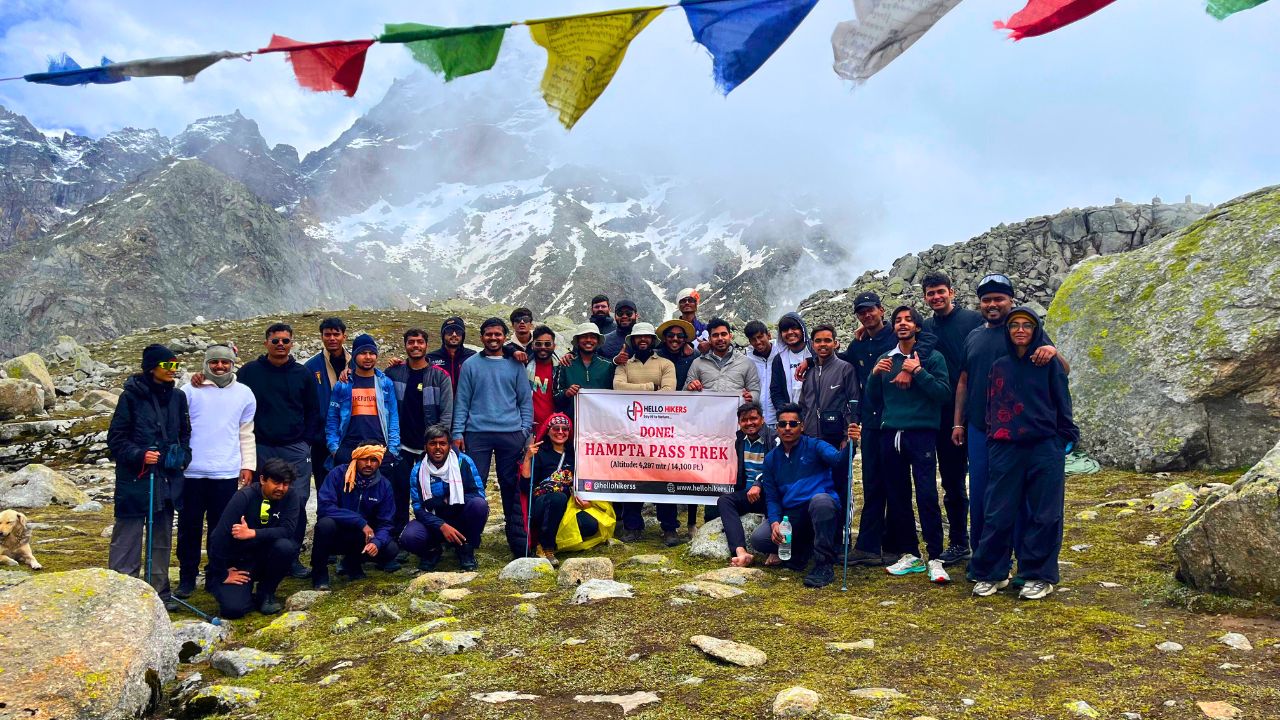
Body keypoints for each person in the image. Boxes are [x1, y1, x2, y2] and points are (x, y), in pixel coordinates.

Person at [952, 274, 1065, 571]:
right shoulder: (974, 336)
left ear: (1011, 301)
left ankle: (1025, 561)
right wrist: (958, 423)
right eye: (986, 299)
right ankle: (984, 558)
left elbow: (1062, 369)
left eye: (999, 299)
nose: (992, 304)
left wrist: (1052, 350)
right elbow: (964, 380)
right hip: (979, 427)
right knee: (981, 495)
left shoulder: (1024, 330)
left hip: (1019, 431)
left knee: (1021, 497)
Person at [971, 307, 1078, 600]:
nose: (1020, 330)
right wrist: (994, 439)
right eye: (1014, 325)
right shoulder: (1000, 366)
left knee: (1045, 513)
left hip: (1044, 445)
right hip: (1005, 446)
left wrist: (1065, 438)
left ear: (1035, 330)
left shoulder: (1047, 362)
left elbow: (1062, 400)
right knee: (997, 511)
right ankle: (992, 572)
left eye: (1026, 325)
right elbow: (991, 406)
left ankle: (1037, 575)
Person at [868, 307, 952, 583]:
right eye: (898, 321)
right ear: (893, 327)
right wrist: (873, 376)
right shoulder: (885, 359)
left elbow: (943, 394)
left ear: (917, 327)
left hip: (921, 433)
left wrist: (918, 372)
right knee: (898, 495)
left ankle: (936, 556)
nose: (902, 324)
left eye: (908, 320)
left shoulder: (932, 357)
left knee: (927, 493)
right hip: (891, 433)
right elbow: (874, 400)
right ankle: (911, 554)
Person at [107, 344, 192, 611]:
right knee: (128, 535)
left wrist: (182, 455)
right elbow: (116, 440)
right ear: (151, 367)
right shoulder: (130, 396)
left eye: (175, 366)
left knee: (162, 536)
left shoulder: (178, 397)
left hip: (167, 477)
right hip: (136, 478)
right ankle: (122, 592)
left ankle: (159, 593)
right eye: (167, 365)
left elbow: (185, 433)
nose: (173, 371)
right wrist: (140, 454)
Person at [236, 322, 322, 580]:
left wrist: (306, 441)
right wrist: (201, 379)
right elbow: (226, 388)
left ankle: (291, 557)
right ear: (266, 343)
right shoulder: (249, 372)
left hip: (295, 448)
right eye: (276, 341)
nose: (281, 345)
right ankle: (257, 554)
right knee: (259, 501)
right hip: (261, 447)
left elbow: (312, 410)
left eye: (285, 340)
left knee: (295, 500)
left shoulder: (302, 373)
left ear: (291, 343)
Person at [175, 344, 256, 600]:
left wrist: (248, 465)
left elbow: (246, 431)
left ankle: (215, 575)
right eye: (214, 362)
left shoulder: (244, 394)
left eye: (225, 362)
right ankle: (187, 577)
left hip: (226, 471)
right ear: (205, 364)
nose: (219, 366)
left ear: (233, 364)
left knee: (219, 529)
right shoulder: (189, 391)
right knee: (189, 527)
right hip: (192, 473)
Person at [750, 403, 861, 589]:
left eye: (793, 424)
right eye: (782, 424)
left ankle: (823, 564)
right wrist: (776, 523)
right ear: (776, 428)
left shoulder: (816, 445)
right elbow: (772, 498)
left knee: (821, 501)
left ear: (802, 426)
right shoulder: (771, 459)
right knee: (759, 539)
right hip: (792, 515)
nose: (787, 428)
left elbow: (838, 461)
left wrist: (852, 443)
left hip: (819, 508)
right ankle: (802, 549)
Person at [452, 317, 534, 558]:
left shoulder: (515, 364)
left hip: (511, 433)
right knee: (474, 486)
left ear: (504, 336)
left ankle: (516, 539)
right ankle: (470, 539)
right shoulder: (470, 365)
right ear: (481, 337)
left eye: (498, 334)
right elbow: (462, 402)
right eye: (489, 334)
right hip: (477, 433)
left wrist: (525, 430)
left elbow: (524, 400)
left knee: (510, 485)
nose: (493, 338)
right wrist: (457, 432)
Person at [920, 272, 984, 566]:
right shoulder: (927, 326)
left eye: (940, 292)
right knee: (952, 480)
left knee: (988, 479)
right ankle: (960, 542)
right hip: (944, 414)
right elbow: (900, 338)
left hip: (981, 410)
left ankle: (988, 542)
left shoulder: (972, 320)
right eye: (930, 293)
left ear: (952, 292)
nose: (936, 297)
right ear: (925, 297)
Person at [610, 322, 680, 545]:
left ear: (652, 340)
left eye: (647, 337)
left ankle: (669, 528)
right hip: (631, 433)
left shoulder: (666, 364)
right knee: (632, 478)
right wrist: (651, 387)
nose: (642, 341)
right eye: (638, 338)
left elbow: (669, 392)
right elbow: (617, 387)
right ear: (632, 341)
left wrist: (640, 390)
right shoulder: (623, 365)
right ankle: (632, 527)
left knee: (663, 477)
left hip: (660, 432)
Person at [206, 458, 300, 617]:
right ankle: (219, 583)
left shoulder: (291, 497)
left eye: (286, 484)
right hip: (239, 562)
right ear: (263, 479)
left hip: (265, 556)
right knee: (233, 610)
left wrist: (253, 533)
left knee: (286, 547)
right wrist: (221, 572)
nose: (281, 488)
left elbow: (288, 530)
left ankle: (266, 593)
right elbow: (218, 536)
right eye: (276, 482)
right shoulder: (244, 497)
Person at [386, 328, 454, 539]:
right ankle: (398, 535)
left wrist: (438, 443)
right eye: (411, 342)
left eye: (419, 342)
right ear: (405, 345)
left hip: (429, 446)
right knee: (399, 491)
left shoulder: (440, 376)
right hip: (401, 445)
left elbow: (446, 412)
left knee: (433, 492)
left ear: (426, 345)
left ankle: (434, 536)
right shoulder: (393, 373)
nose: (415, 345)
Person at [520, 413, 614, 564]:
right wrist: (527, 458)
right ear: (549, 431)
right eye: (556, 428)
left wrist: (587, 500)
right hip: (543, 503)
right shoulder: (540, 454)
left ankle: (558, 544)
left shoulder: (575, 455)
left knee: (590, 524)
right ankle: (546, 548)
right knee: (557, 498)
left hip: (568, 504)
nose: (560, 432)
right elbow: (525, 487)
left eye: (565, 429)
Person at [399, 425, 488, 571]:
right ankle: (432, 551)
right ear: (425, 447)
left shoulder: (463, 462)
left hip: (460, 517)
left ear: (450, 445)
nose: (438, 448)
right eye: (433, 444)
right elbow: (419, 508)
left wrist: (447, 500)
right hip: (434, 522)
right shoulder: (418, 470)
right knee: (409, 537)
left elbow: (478, 494)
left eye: (442, 443)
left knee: (479, 505)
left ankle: (466, 548)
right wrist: (442, 525)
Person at [312, 441, 399, 589]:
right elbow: (325, 507)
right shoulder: (337, 474)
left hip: (363, 537)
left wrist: (376, 543)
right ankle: (319, 573)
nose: (369, 464)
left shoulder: (384, 485)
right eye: (365, 459)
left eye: (374, 460)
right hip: (336, 533)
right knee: (325, 524)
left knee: (391, 549)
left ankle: (352, 564)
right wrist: (359, 521)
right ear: (356, 458)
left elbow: (386, 523)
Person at [325, 333, 401, 467]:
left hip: (379, 448)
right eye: (363, 353)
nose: (367, 357)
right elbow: (332, 418)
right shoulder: (343, 384)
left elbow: (393, 417)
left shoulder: (385, 383)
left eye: (372, 353)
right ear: (354, 356)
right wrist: (335, 450)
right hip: (349, 449)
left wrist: (393, 450)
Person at [716, 402, 776, 563]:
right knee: (724, 501)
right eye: (744, 420)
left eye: (754, 418)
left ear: (762, 419)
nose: (749, 423)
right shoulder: (740, 440)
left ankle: (775, 551)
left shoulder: (774, 439)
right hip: (748, 494)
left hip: (770, 494)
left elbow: (776, 469)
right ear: (739, 423)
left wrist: (759, 484)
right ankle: (740, 551)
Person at [304, 317, 349, 488]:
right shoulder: (311, 366)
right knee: (324, 484)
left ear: (344, 336)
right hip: (321, 438)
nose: (332, 338)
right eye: (327, 334)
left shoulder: (355, 362)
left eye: (336, 334)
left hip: (349, 435)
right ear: (321, 337)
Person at [685, 318, 759, 402]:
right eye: (715, 335)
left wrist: (751, 397)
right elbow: (686, 391)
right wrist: (690, 386)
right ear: (709, 339)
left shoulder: (746, 362)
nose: (720, 338)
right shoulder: (697, 363)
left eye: (723, 334)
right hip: (706, 414)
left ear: (730, 336)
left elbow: (755, 391)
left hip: (737, 414)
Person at [554, 323, 615, 420]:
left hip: (601, 422)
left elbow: (614, 397)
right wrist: (566, 393)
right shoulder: (565, 365)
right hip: (572, 424)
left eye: (593, 337)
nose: (588, 340)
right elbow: (555, 396)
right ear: (577, 341)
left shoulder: (608, 366)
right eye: (584, 337)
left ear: (598, 341)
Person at [769, 312, 811, 413]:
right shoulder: (779, 359)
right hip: (791, 417)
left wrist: (810, 361)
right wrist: (784, 410)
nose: (790, 332)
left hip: (815, 414)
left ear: (802, 330)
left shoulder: (814, 352)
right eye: (785, 330)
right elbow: (776, 391)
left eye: (794, 328)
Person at [744, 320, 781, 426]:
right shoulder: (747, 359)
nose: (758, 342)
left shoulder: (781, 353)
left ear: (768, 335)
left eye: (760, 337)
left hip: (780, 418)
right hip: (758, 420)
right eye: (753, 339)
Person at [427, 316, 476, 392]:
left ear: (463, 336)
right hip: (440, 402)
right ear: (443, 335)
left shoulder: (472, 356)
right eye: (449, 331)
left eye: (458, 331)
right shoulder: (431, 358)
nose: (454, 334)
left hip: (465, 403)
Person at [526, 325, 560, 430]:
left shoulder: (561, 368)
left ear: (554, 346)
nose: (543, 347)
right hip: (528, 426)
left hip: (554, 427)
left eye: (547, 344)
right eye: (538, 344)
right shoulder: (523, 367)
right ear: (532, 345)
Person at [656, 319, 698, 391]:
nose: (675, 338)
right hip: (661, 400)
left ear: (685, 339)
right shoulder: (655, 356)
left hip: (686, 400)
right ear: (664, 338)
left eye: (680, 336)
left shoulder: (695, 355)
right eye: (670, 335)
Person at [675, 288, 710, 352]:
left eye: (690, 300)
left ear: (696, 305)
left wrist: (710, 344)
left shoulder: (705, 328)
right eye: (683, 301)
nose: (687, 303)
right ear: (679, 306)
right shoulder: (672, 329)